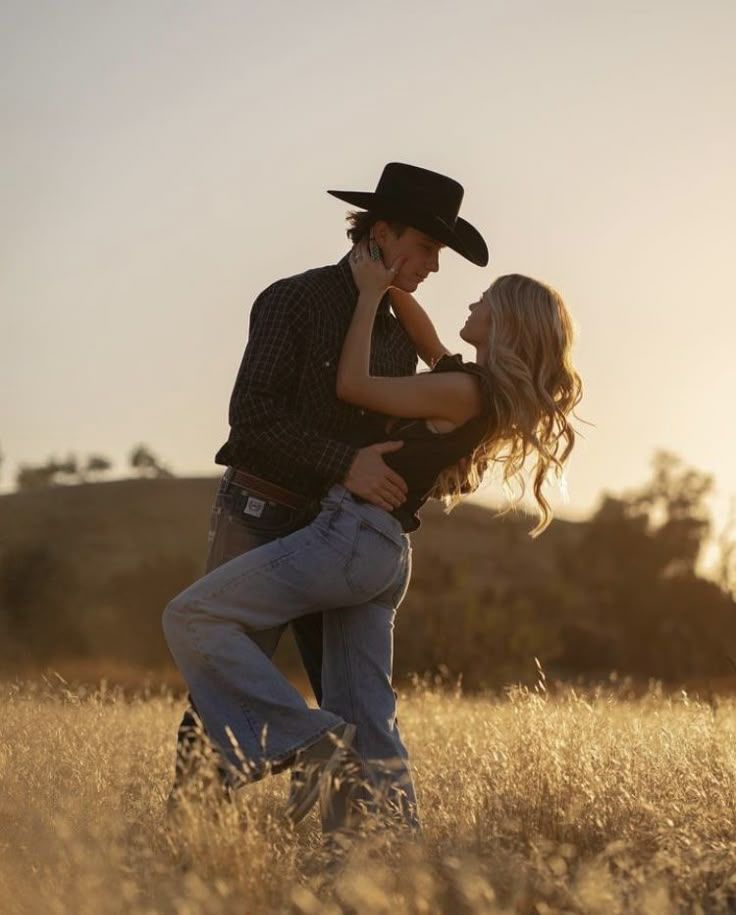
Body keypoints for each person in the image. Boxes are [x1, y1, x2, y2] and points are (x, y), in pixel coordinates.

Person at [163, 232, 583, 834]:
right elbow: (426, 334)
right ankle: (387, 855)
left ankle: (307, 742)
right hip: (381, 551)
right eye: (431, 253)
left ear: (506, 323)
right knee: (368, 711)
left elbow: (352, 387)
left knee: (191, 617)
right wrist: (387, 280)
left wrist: (365, 299)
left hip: (351, 539)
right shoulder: (470, 384)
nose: (465, 298)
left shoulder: (460, 389)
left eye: (484, 299)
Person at [166, 163, 489, 816]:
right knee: (219, 687)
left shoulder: (397, 330)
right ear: (380, 232)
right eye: (425, 247)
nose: (432, 264)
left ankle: (358, 859)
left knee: (349, 699)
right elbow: (251, 421)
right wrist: (347, 462)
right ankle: (186, 842)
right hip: (257, 514)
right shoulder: (292, 300)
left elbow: (445, 396)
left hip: (334, 532)